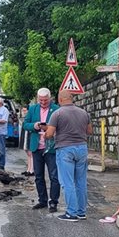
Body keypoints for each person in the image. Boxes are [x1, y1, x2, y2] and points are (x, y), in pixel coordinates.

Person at [45, 90, 93, 221]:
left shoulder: (57, 113)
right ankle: (81, 212)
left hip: (65, 149)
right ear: (71, 98)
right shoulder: (84, 113)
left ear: (60, 100)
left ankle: (71, 213)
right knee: (81, 181)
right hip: (82, 148)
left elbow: (49, 134)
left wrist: (46, 133)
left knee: (68, 182)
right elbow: (89, 131)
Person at [23, 88, 61, 212]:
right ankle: (42, 200)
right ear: (37, 98)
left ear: (50, 98)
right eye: (41, 100)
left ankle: (54, 202)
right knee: (38, 176)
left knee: (54, 176)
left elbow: (60, 126)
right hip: (36, 147)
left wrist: (48, 128)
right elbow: (25, 124)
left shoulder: (56, 109)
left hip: (50, 147)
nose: (43, 103)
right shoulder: (33, 108)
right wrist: (34, 126)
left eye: (45, 100)